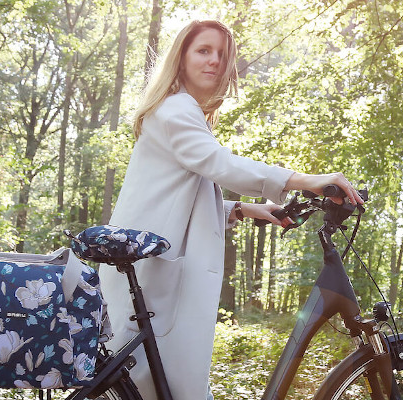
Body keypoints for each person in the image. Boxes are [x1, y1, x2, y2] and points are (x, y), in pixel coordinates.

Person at [97, 20, 364, 400]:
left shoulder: (183, 112)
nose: (215, 62)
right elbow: (222, 165)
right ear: (182, 58)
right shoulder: (176, 109)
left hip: (154, 270)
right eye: (203, 51)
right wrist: (307, 179)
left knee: (166, 387)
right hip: (155, 277)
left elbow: (182, 198)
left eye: (222, 55)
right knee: (162, 386)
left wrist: (242, 210)